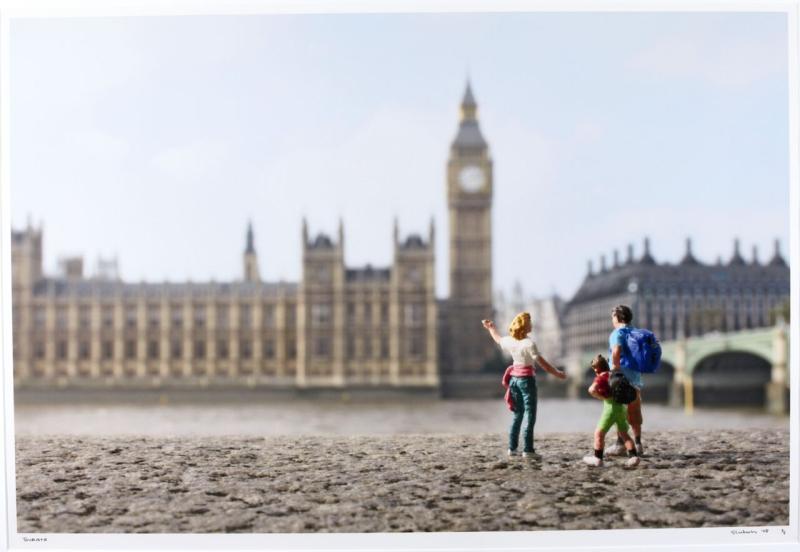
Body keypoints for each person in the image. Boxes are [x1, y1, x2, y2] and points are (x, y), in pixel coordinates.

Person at [482, 312, 567, 458]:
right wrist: (558, 373)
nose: (531, 324)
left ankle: (512, 447)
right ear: (524, 326)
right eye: (529, 322)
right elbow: (543, 364)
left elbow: (497, 339)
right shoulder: (529, 344)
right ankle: (528, 449)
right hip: (527, 380)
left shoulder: (510, 341)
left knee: (517, 414)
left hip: (514, 379)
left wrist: (491, 328)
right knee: (530, 414)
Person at [582, 354, 640, 468]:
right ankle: (633, 456)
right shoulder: (615, 374)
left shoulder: (601, 377)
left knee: (599, 433)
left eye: (594, 368)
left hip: (610, 409)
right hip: (622, 408)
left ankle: (597, 458)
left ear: (597, 368)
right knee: (624, 434)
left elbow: (591, 389)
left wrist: (601, 397)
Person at [606, 305, 644, 456]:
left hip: (621, 378)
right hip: (636, 378)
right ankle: (639, 443)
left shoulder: (617, 333)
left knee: (619, 412)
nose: (612, 319)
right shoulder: (636, 332)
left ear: (618, 317)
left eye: (613, 316)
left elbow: (616, 351)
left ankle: (620, 444)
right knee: (635, 411)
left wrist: (614, 370)